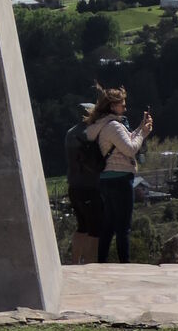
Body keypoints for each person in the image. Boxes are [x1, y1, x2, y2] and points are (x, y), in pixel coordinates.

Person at [85, 85, 153, 264]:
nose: (125, 108)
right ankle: (125, 264)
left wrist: (140, 128)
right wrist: (143, 134)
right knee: (123, 227)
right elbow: (130, 149)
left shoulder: (103, 125)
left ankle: (102, 261)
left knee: (108, 224)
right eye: (122, 105)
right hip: (120, 179)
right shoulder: (113, 126)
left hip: (107, 179)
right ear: (113, 106)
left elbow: (128, 139)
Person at [64, 103, 104, 264]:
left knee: (82, 226)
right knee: (95, 229)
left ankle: (75, 261)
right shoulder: (90, 134)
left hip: (74, 185)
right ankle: (91, 263)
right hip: (90, 186)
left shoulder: (70, 133)